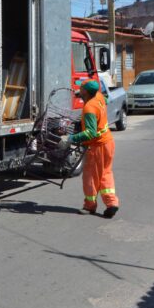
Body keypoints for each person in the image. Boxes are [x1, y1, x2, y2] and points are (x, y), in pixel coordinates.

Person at [59, 80, 119, 218]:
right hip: (108, 142)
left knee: (90, 176)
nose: (79, 88)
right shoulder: (99, 97)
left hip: (97, 146)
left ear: (86, 91)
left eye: (81, 87)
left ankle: (89, 205)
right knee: (105, 173)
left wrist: (70, 138)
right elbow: (105, 99)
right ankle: (112, 203)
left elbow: (90, 133)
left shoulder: (89, 108)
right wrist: (81, 95)